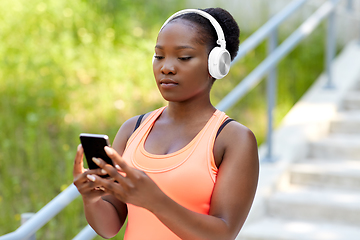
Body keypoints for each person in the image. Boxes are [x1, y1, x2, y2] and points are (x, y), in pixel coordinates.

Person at [73, 7, 259, 240]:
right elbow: (109, 227)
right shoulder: (133, 129)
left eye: (183, 57)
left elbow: (222, 234)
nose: (166, 67)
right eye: (159, 56)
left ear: (216, 65)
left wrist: (154, 200)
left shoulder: (232, 139)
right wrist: (91, 199)